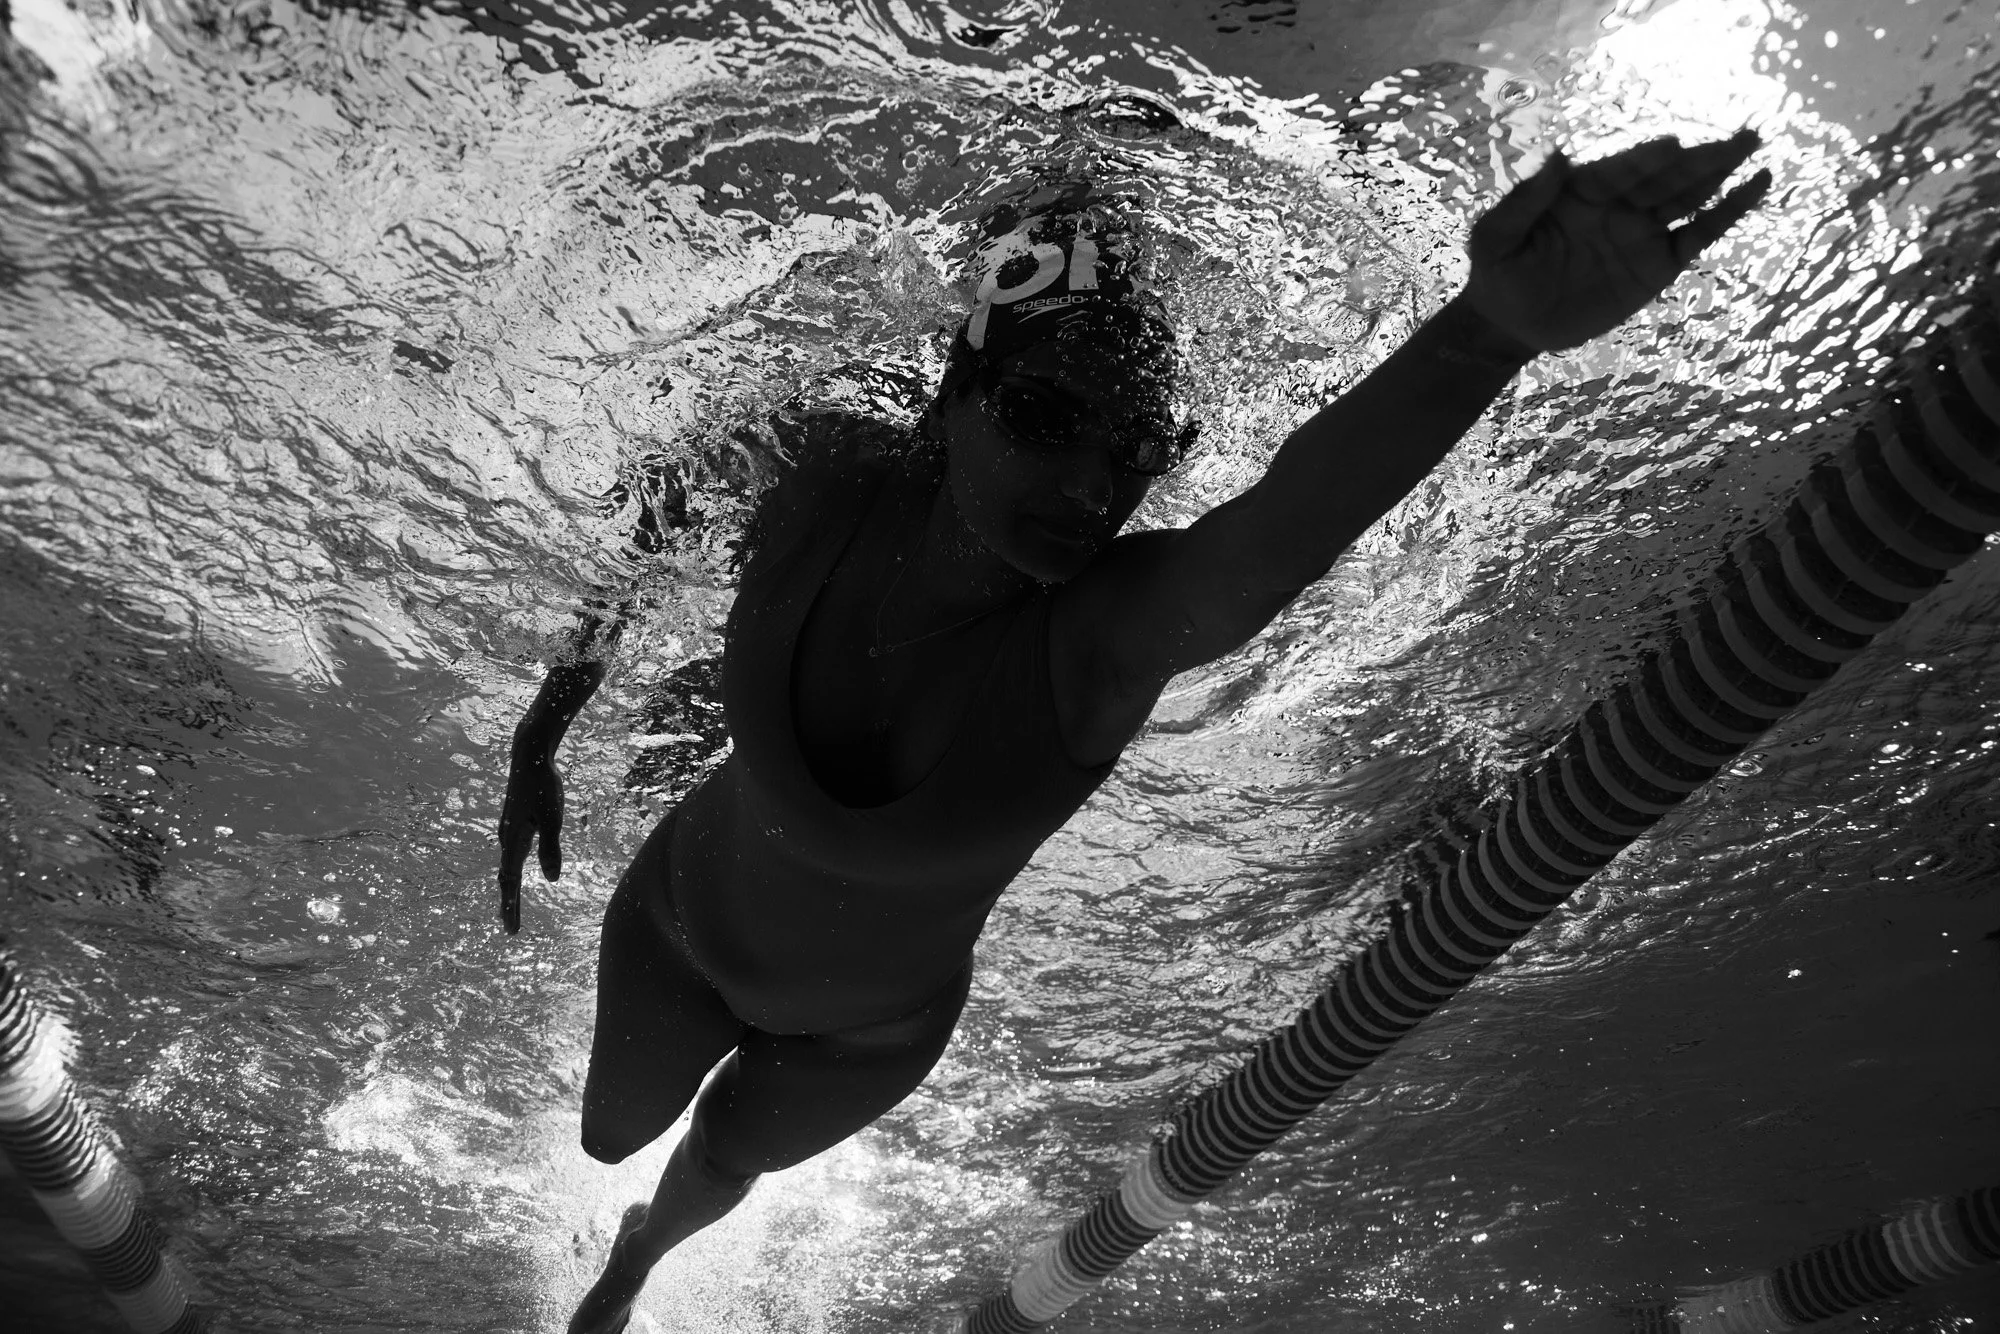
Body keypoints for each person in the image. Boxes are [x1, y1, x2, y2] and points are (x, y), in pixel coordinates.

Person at [495, 133, 1770, 1333]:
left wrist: (1488, 330)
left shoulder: (1095, 644)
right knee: (611, 1132)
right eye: (1048, 419)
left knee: (716, 1163)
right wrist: (541, 730)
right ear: (954, 390)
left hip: (861, 1035)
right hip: (675, 924)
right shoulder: (820, 472)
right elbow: (662, 505)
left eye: (1138, 448)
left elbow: (1281, 525)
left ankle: (636, 1260)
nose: (1092, 486)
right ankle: (631, 1200)